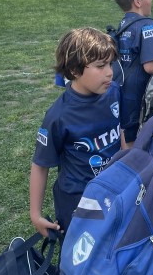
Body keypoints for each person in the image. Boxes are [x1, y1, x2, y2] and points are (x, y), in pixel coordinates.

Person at [29, 28, 120, 235]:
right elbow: (40, 164)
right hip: (78, 199)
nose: (109, 72)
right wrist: (35, 214)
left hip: (113, 188)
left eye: (110, 64)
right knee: (81, 249)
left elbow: (121, 132)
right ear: (74, 70)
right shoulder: (59, 116)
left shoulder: (114, 92)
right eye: (100, 66)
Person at [112, 0, 153, 146]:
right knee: (135, 145)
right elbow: (151, 67)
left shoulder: (124, 24)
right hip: (139, 98)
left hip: (121, 92)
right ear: (137, 1)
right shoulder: (148, 25)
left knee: (124, 139)